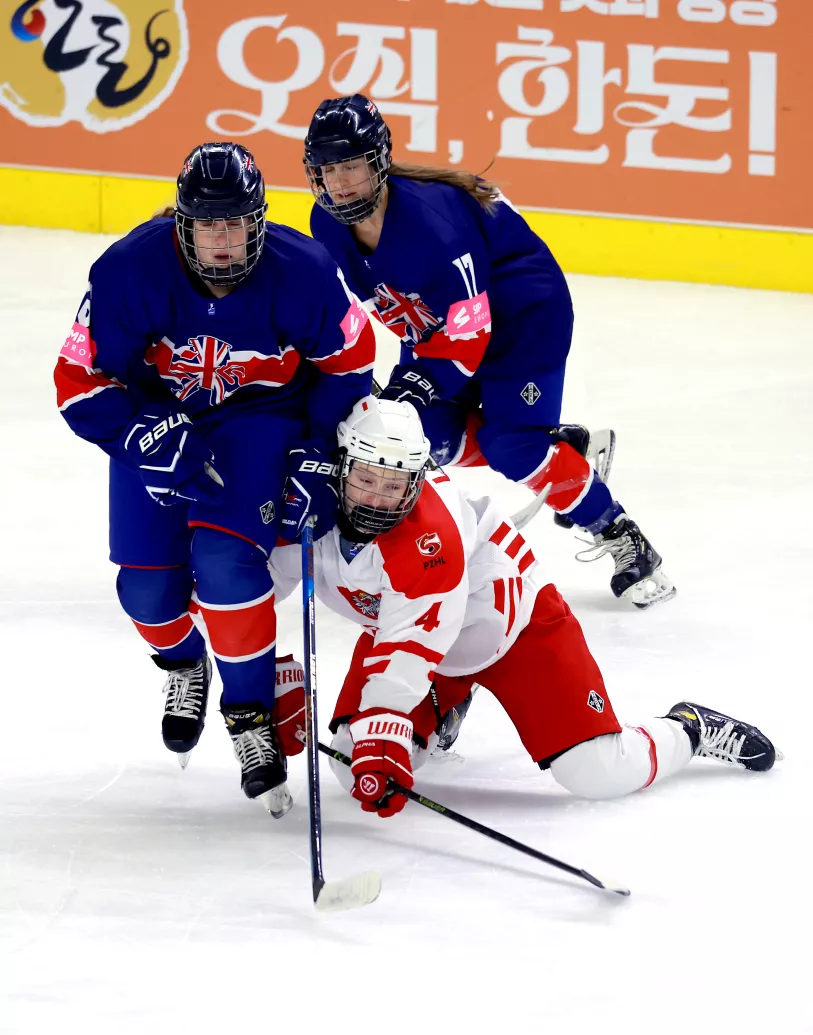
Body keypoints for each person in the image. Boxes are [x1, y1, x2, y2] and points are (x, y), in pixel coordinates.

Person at [55, 141, 375, 815]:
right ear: (183, 224)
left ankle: (251, 716)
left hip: (258, 421)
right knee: (146, 592)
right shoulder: (126, 272)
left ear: (258, 220)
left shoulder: (305, 271)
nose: (223, 240)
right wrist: (136, 431)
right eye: (208, 225)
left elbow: (351, 365)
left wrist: (318, 449)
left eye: (235, 223)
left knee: (226, 565)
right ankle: (184, 663)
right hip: (158, 418)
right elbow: (78, 381)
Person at [267, 396, 777, 818]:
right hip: (414, 640)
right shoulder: (307, 510)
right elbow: (250, 596)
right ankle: (446, 706)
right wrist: (264, 682)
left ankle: (689, 728)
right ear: (340, 466)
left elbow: (414, 637)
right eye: (366, 479)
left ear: (416, 481)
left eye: (395, 484)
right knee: (349, 760)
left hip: (513, 632)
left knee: (599, 772)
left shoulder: (431, 535)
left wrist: (385, 721)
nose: (378, 499)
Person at [302, 94, 675, 610]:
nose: (339, 183)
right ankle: (561, 455)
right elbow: (356, 308)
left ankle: (618, 530)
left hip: (524, 322)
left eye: (351, 167)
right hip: (443, 329)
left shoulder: (436, 227)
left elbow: (469, 337)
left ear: (379, 161)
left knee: (512, 447)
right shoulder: (326, 223)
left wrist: (419, 382)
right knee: (421, 437)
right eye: (327, 171)